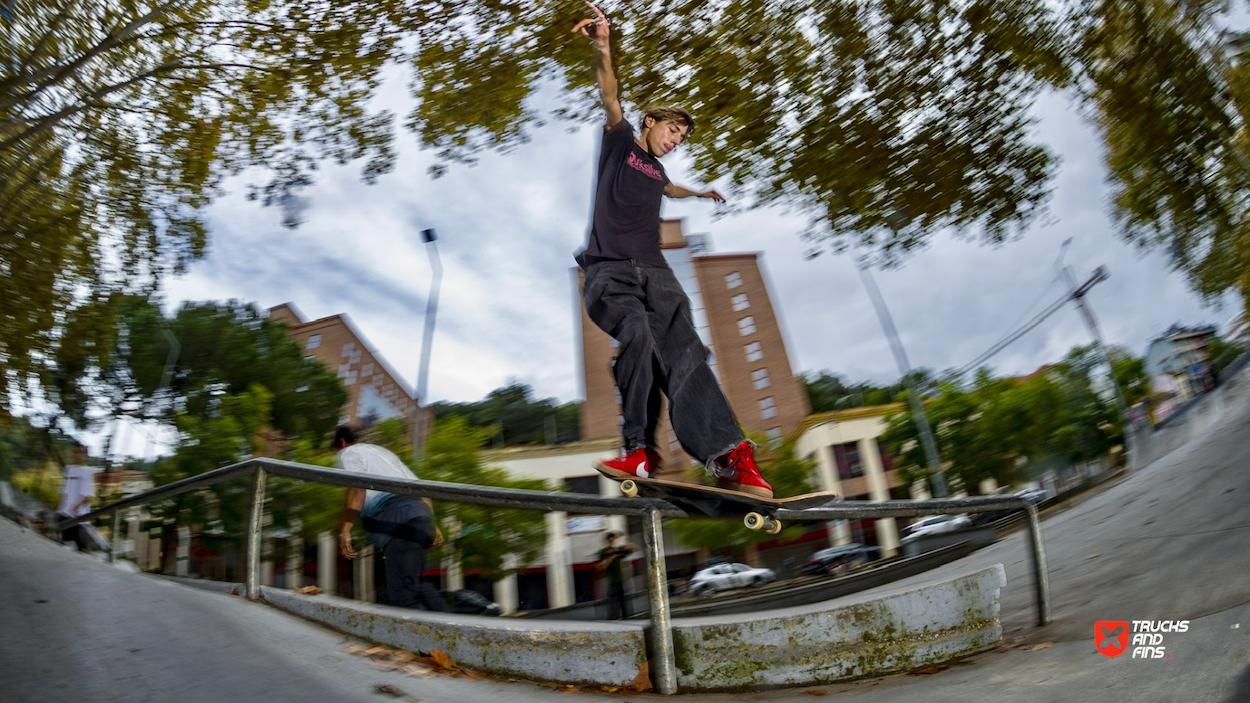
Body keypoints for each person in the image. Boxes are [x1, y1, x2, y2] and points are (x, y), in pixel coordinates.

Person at [570, 1, 772, 497]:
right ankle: (639, 450)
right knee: (636, 336)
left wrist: (698, 192)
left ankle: (729, 457)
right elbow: (610, 95)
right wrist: (603, 48)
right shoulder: (620, 142)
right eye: (671, 130)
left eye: (681, 137)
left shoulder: (659, 172)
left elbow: (669, 187)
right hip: (609, 270)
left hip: (656, 271)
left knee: (685, 354)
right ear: (650, 121)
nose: (675, 141)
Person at [332, 425, 447, 611]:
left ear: (342, 443)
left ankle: (417, 638)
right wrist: (433, 524)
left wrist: (346, 529)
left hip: (399, 523)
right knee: (418, 585)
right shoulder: (383, 454)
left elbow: (358, 486)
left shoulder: (349, 453)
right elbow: (421, 488)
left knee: (402, 595)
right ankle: (451, 629)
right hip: (419, 517)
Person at [55, 443, 96, 550]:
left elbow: (87, 496)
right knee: (63, 543)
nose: (78, 455)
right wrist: (61, 510)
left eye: (81, 452)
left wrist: (76, 508)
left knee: (79, 548)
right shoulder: (68, 469)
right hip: (65, 513)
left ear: (85, 455)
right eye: (76, 452)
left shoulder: (87, 472)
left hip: (79, 517)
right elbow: (64, 492)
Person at [596, 531, 637, 619]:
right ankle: (613, 620)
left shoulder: (617, 551)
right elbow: (602, 566)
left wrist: (630, 546)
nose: (615, 540)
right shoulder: (605, 552)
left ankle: (626, 619)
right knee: (613, 604)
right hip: (611, 581)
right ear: (610, 539)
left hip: (620, 581)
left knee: (623, 604)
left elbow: (630, 551)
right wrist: (613, 556)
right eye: (614, 538)